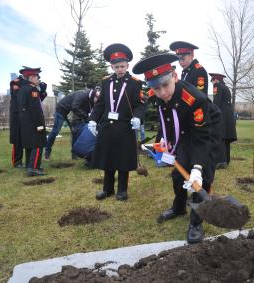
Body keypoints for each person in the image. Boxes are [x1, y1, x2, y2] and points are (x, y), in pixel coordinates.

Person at [133, 53, 218, 244]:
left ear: (175, 77)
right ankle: (179, 207)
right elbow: (169, 120)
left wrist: (197, 167)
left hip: (208, 130)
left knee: (201, 179)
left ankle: (196, 222)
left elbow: (201, 137)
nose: (162, 92)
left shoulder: (195, 99)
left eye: (165, 85)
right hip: (185, 132)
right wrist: (166, 142)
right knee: (178, 175)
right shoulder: (159, 96)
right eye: (156, 88)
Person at [88, 43, 144, 201]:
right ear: (111, 66)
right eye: (116, 66)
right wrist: (93, 120)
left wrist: (138, 117)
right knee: (108, 159)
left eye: (122, 66)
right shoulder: (106, 82)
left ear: (127, 65)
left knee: (123, 160)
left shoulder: (134, 83)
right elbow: (100, 105)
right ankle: (107, 189)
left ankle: (122, 190)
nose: (120, 69)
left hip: (125, 127)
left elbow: (140, 104)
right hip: (107, 127)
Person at [17, 67, 47, 176]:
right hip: (33, 122)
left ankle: (30, 165)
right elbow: (35, 108)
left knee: (30, 145)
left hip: (24, 122)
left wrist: (42, 91)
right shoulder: (32, 89)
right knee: (38, 144)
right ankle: (34, 167)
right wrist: (39, 125)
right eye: (37, 77)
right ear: (32, 77)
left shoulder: (22, 89)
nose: (38, 79)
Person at [210, 73, 237, 168]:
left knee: (220, 136)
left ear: (215, 80)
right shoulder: (225, 87)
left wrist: (211, 112)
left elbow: (216, 102)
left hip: (221, 115)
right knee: (225, 138)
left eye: (212, 80)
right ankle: (226, 160)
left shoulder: (217, 86)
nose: (212, 83)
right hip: (228, 115)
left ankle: (221, 162)